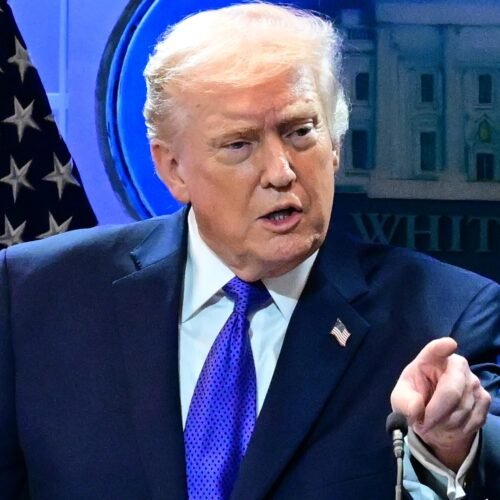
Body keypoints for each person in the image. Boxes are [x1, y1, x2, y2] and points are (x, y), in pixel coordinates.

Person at [0, 2, 499, 499]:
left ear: (335, 145)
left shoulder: (446, 317)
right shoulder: (33, 297)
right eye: (239, 144)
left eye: (300, 132)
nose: (281, 172)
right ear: (172, 168)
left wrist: (451, 448)